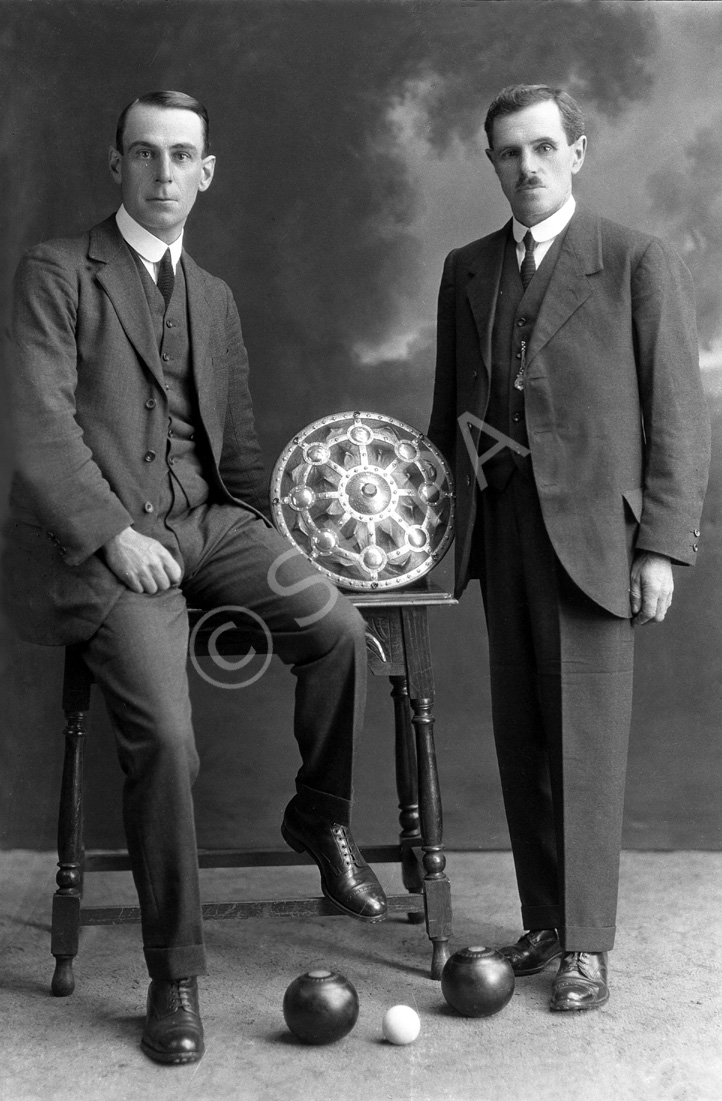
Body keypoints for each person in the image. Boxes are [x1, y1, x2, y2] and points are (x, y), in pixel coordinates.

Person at [3, 90, 387, 1063]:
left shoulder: (212, 296)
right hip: (112, 547)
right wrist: (107, 536)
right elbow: (37, 427)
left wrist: (271, 542)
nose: (164, 173)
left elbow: (242, 445)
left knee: (338, 632)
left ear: (205, 173)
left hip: (214, 525)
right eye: (145, 154)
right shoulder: (57, 272)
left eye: (182, 157)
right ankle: (173, 973)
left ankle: (318, 818)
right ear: (116, 165)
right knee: (169, 739)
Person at [428, 84, 709, 1012]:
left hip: (596, 538)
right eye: (509, 153)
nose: (528, 167)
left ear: (577, 152)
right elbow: (452, 418)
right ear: (493, 163)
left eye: (544, 148)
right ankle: (546, 919)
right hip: (500, 532)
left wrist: (660, 545)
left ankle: (589, 944)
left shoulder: (631, 260)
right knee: (524, 738)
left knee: (586, 745)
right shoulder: (467, 269)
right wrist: (441, 527)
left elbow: (676, 410)